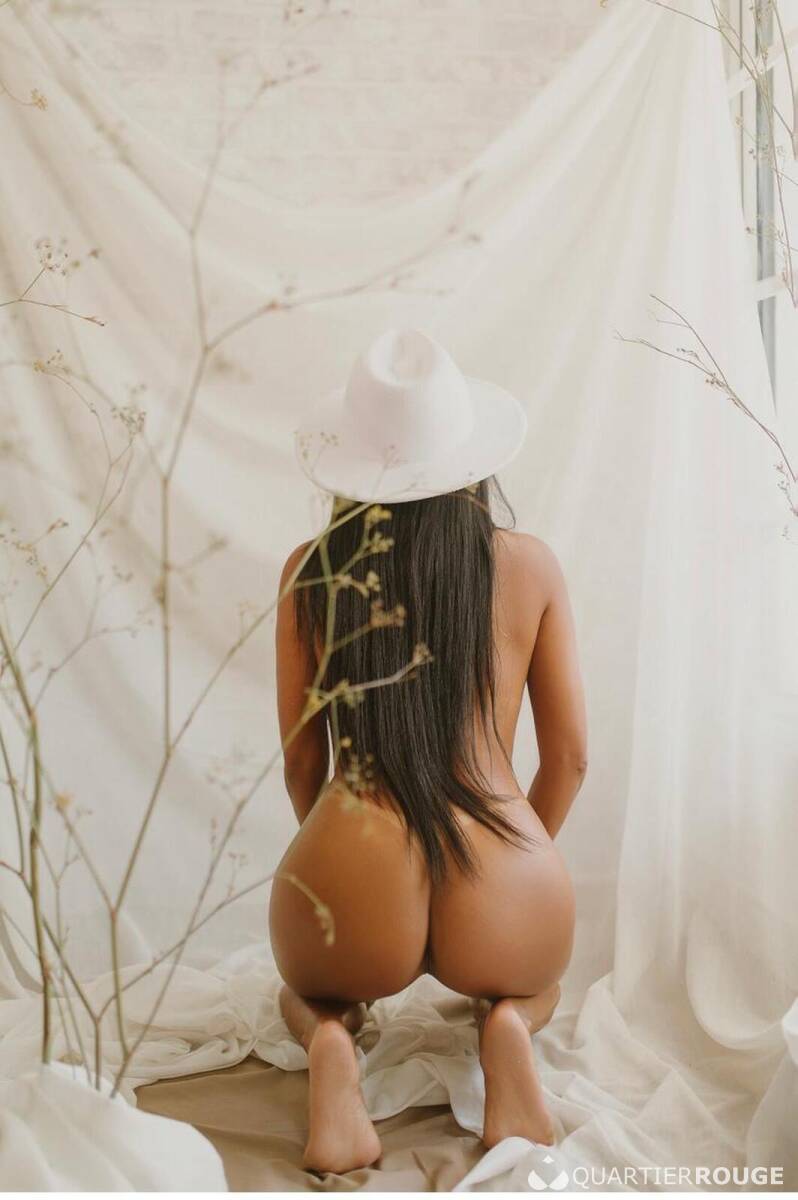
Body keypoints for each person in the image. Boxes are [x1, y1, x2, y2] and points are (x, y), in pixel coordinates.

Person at [269, 328, 587, 1174]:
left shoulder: (311, 572)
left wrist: (330, 853)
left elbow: (302, 761)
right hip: (503, 866)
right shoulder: (530, 567)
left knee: (303, 995)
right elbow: (570, 759)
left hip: (350, 857)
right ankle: (507, 1025)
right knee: (536, 985)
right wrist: (523, 849)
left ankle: (332, 1043)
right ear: (472, 461)